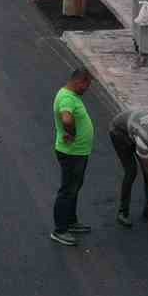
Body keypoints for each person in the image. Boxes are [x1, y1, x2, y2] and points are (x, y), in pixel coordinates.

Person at [51, 67, 95, 246]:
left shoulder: (68, 95)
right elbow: (67, 118)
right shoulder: (68, 98)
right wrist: (73, 132)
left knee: (74, 187)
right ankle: (60, 230)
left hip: (78, 152)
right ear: (79, 81)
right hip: (72, 153)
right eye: (86, 85)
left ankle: (71, 221)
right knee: (68, 190)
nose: (87, 89)